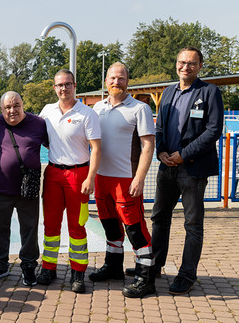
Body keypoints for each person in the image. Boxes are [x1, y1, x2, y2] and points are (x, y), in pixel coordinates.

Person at [151, 47, 223, 295]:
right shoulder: (168, 92)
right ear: (176, 64)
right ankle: (155, 265)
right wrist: (160, 152)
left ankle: (186, 275)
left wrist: (184, 154)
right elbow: (159, 127)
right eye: (182, 62)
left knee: (192, 224)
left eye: (192, 63)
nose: (186, 67)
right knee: (159, 218)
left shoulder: (210, 92)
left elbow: (213, 131)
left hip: (192, 169)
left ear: (200, 66)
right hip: (166, 166)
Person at [91, 63, 156, 298]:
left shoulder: (139, 108)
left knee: (134, 228)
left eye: (121, 78)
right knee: (109, 225)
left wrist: (139, 177)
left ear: (128, 80)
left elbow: (148, 145)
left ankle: (145, 277)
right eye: (112, 78)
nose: (116, 82)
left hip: (126, 179)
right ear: (106, 81)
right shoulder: (98, 107)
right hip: (101, 178)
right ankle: (113, 266)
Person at [38, 69, 101, 293]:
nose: (63, 88)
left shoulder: (87, 113)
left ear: (75, 85)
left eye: (67, 84)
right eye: (59, 85)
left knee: (78, 226)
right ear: (54, 88)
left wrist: (91, 177)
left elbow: (96, 148)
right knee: (51, 225)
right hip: (54, 173)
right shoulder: (47, 111)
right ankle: (48, 267)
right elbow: (40, 138)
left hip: (78, 175)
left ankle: (78, 272)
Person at [0, 91, 48, 286]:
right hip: (1, 187)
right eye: (7, 107)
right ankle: (0, 263)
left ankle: (28, 264)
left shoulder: (38, 124)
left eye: (16, 106)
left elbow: (57, 145)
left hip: (28, 188)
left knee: (29, 228)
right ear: (1, 109)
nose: (12, 110)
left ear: (23, 104)